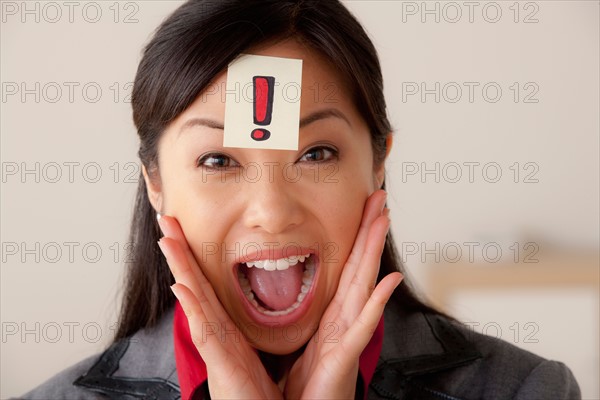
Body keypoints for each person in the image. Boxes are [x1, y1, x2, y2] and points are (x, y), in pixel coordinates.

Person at [20, 0, 581, 399]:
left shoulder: (526, 390)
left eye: (316, 154)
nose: (271, 211)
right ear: (155, 181)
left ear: (378, 159)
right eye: (218, 161)